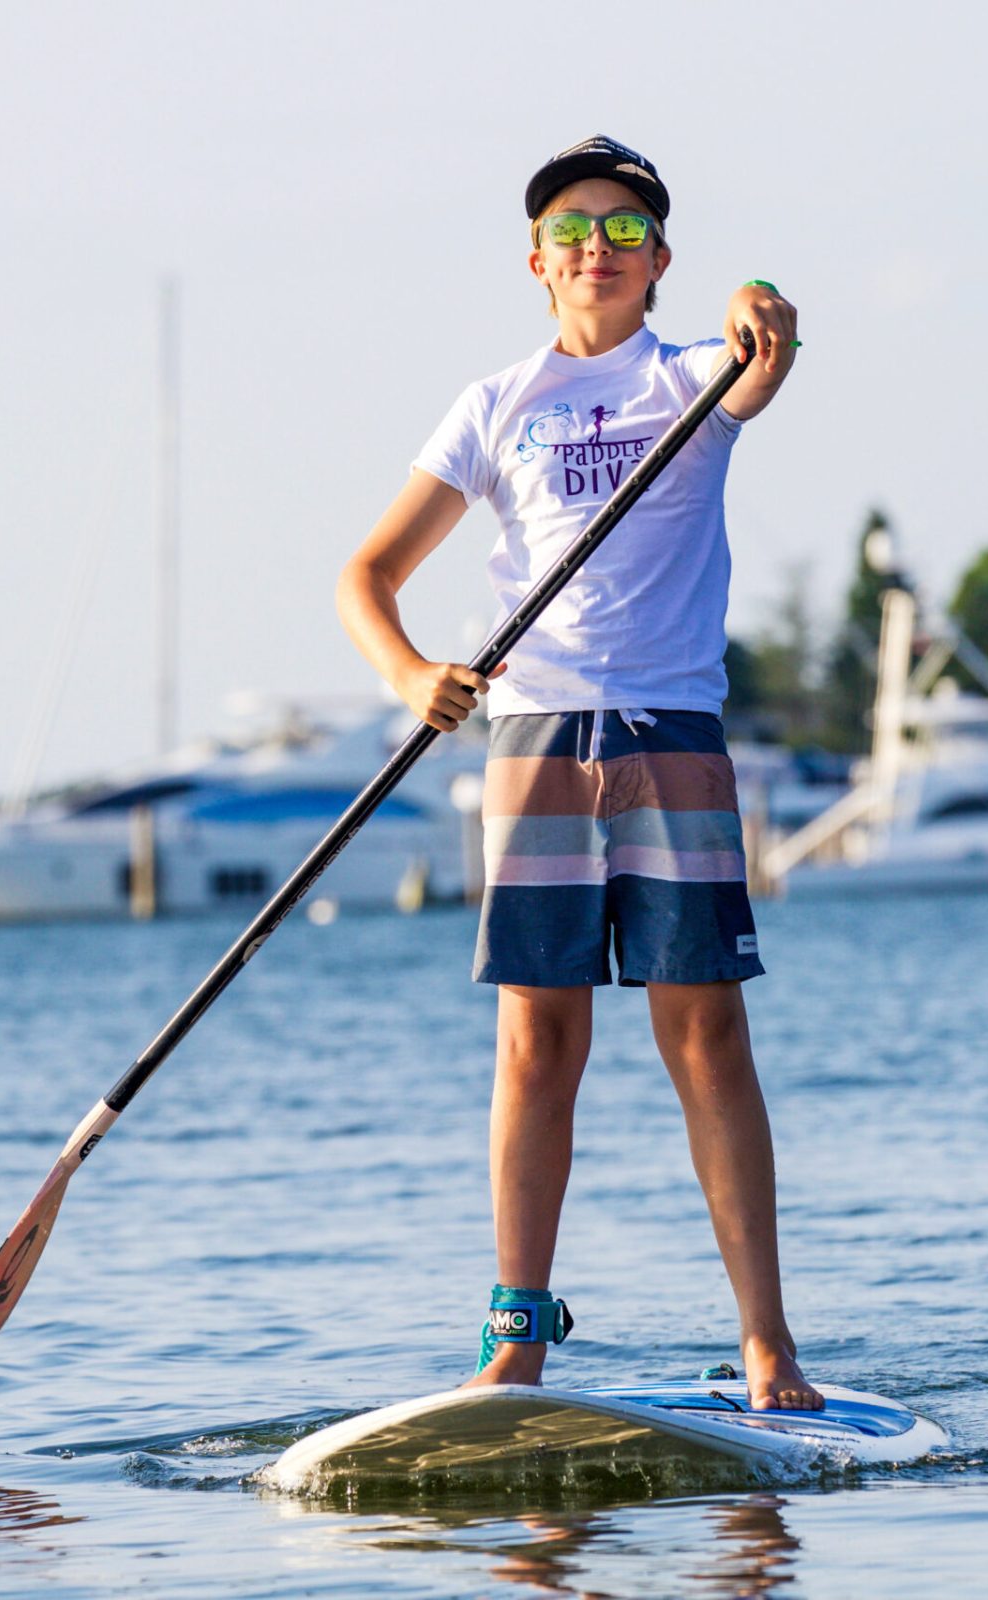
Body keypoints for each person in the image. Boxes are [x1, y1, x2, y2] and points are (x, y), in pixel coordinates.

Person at [337, 135, 823, 1411]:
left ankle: (767, 1341)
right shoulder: (494, 405)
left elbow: (762, 355)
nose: (594, 248)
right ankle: (518, 1331)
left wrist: (758, 314)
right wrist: (406, 674)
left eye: (622, 230)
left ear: (658, 262)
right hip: (537, 741)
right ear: (536, 264)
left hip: (671, 737)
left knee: (706, 1033)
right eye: (571, 230)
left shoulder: (690, 378)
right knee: (535, 1044)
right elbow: (366, 576)